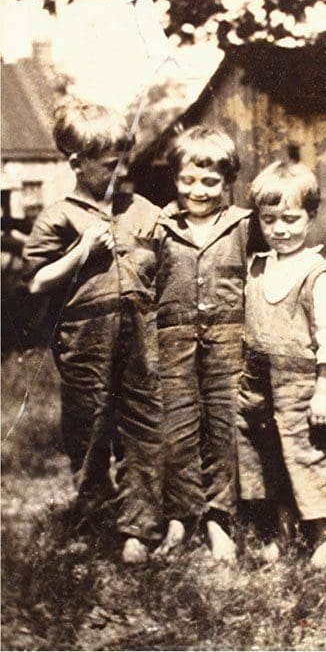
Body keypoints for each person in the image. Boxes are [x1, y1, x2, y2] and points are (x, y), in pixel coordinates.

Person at [22, 101, 165, 564]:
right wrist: (81, 251)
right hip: (84, 343)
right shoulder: (59, 216)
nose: (121, 171)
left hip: (141, 338)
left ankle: (137, 529)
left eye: (125, 158)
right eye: (109, 164)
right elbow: (38, 280)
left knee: (143, 425)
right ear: (76, 163)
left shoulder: (142, 209)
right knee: (88, 426)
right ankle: (93, 511)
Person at [236, 160, 326, 572]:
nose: (279, 230)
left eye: (290, 219)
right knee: (263, 456)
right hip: (256, 384)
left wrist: (325, 388)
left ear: (311, 216)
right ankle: (277, 531)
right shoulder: (257, 267)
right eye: (269, 220)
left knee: (310, 457)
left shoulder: (318, 275)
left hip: (302, 385)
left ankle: (324, 537)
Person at [155, 125, 254, 562]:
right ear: (175, 178)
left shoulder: (244, 227)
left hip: (229, 341)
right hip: (171, 341)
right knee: (177, 430)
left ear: (229, 182)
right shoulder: (159, 227)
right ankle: (180, 516)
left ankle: (219, 519)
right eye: (188, 180)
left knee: (224, 429)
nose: (198, 190)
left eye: (211, 181)